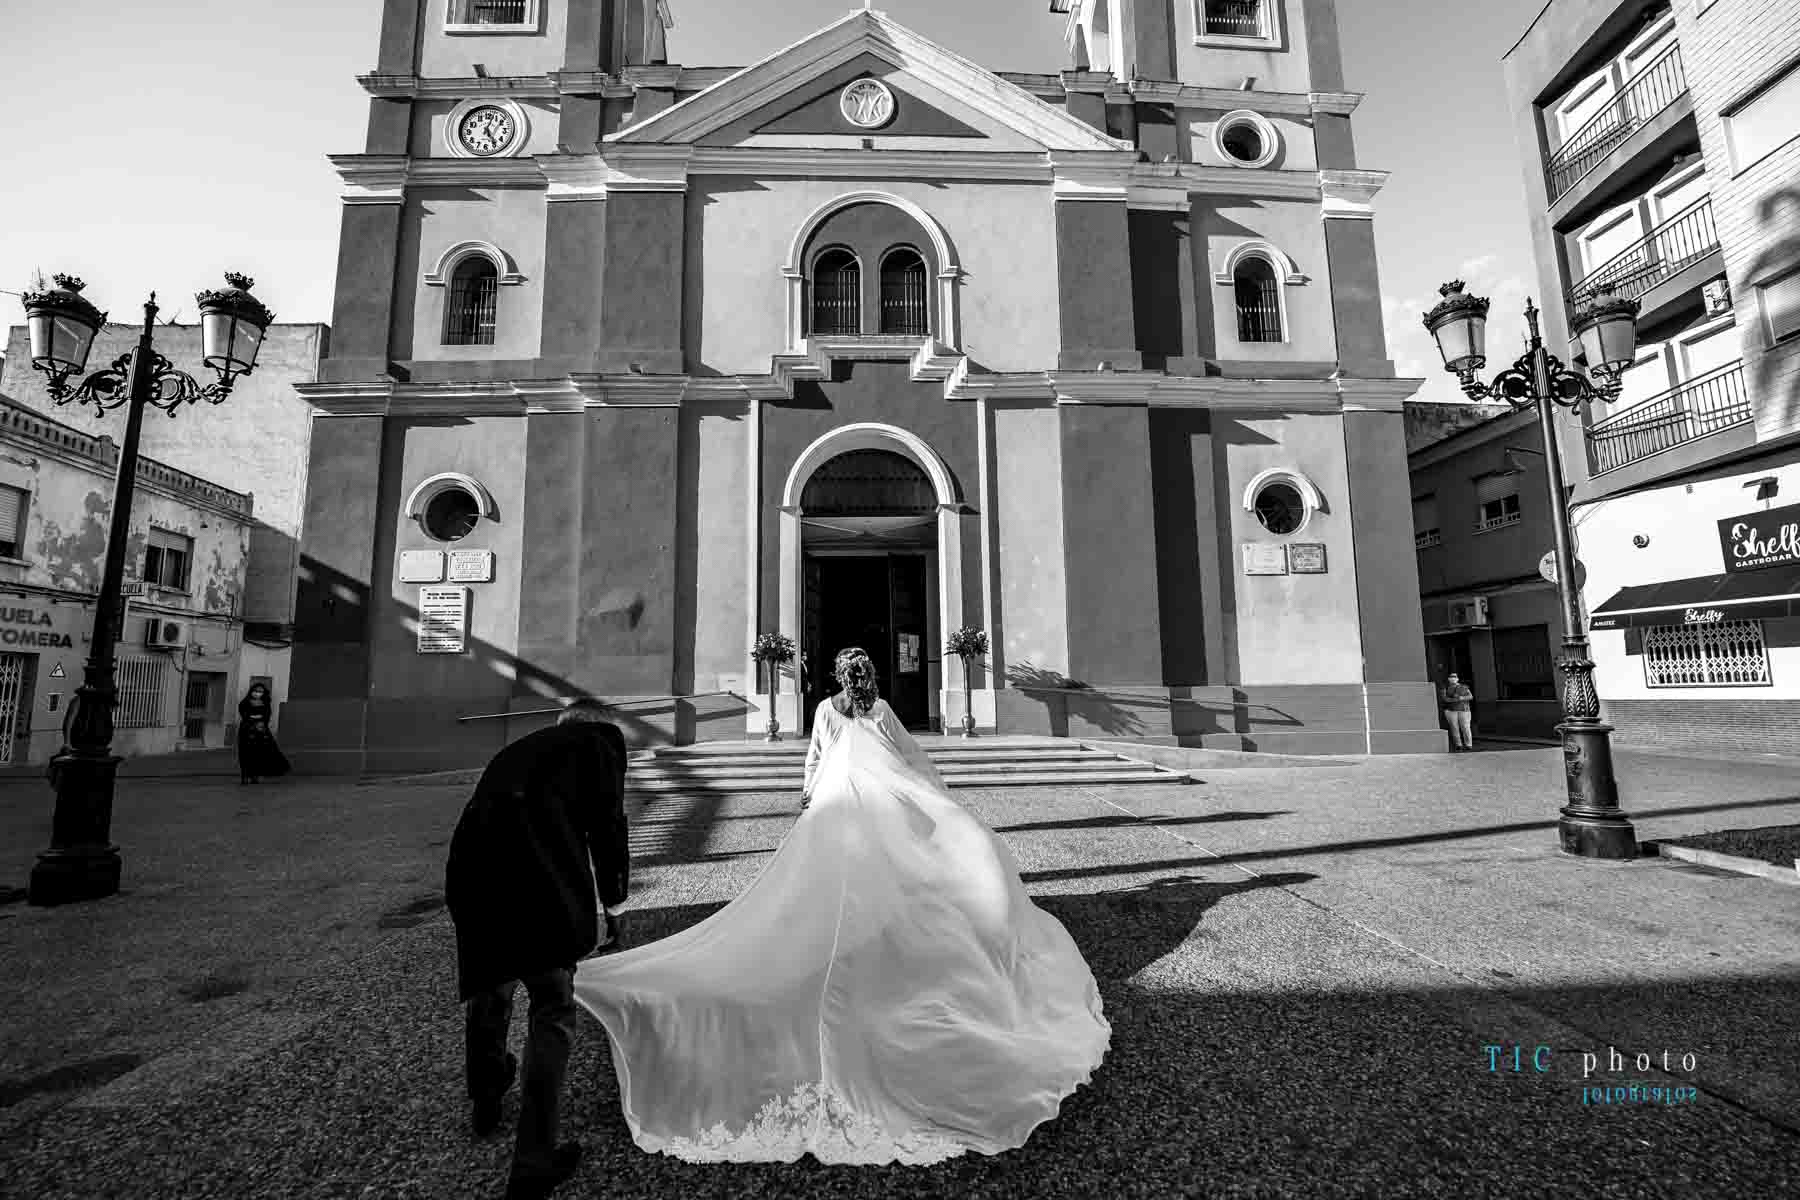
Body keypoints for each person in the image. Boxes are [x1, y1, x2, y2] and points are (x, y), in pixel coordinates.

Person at [572, 647, 1109, 1165]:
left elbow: (817, 756)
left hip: (837, 808)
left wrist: (807, 795)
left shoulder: (826, 710)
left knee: (822, 889)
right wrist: (939, 796)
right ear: (870, 675)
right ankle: (882, 947)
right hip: (880, 805)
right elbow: (911, 756)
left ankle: (838, 951)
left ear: (837, 676)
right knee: (894, 881)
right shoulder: (882, 710)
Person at [445, 699, 630, 1200]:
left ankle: (487, 1095)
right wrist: (614, 906)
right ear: (599, 726)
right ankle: (533, 1161)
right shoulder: (599, 744)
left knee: (491, 989)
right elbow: (608, 827)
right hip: (542, 890)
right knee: (551, 1010)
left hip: (474, 881)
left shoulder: (518, 749)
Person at [235, 683, 290, 785]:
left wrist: (259, 720)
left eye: (260, 692)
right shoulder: (245, 702)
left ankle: (255, 776)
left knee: (259, 753)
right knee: (246, 753)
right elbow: (244, 715)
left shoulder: (265, 703)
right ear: (251, 691)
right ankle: (245, 776)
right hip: (246, 731)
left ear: (263, 693)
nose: (257, 693)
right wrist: (255, 718)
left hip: (261, 731)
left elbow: (267, 715)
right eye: (255, 691)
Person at [1441, 672, 1475, 752]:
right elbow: (1444, 698)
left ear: (1457, 679)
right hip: (1451, 711)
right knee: (1454, 728)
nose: (1453, 678)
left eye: (1454, 677)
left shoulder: (1463, 687)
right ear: (1448, 679)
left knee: (1466, 727)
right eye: (1451, 677)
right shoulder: (1445, 688)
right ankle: (1458, 745)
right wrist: (1455, 699)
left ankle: (1468, 745)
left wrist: (1461, 698)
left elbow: (1470, 696)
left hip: (1464, 710)